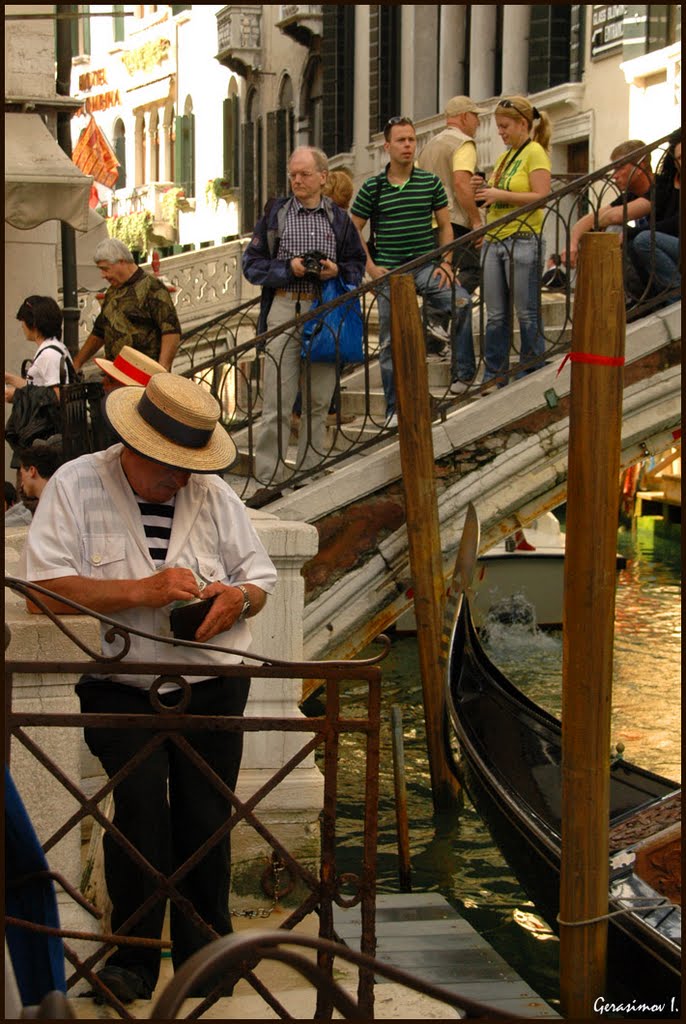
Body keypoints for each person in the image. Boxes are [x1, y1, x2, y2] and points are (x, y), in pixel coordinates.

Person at [19, 372, 277, 1004]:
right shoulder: (77, 485)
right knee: (138, 815)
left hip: (213, 681)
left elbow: (260, 576)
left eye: (190, 467)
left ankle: (207, 955)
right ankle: (132, 961)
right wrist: (144, 591)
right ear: (135, 447)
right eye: (171, 467)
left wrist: (237, 600)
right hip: (120, 683)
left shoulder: (213, 494)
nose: (182, 479)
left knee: (207, 818)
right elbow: (42, 591)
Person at [242, 146, 366, 492]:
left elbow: (357, 266)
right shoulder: (276, 214)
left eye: (304, 174)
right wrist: (288, 268)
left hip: (324, 311)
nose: (297, 180)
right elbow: (250, 265)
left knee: (318, 399)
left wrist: (336, 270)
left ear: (323, 178)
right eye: (292, 174)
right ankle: (269, 476)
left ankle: (310, 473)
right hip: (283, 306)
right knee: (276, 401)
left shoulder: (338, 219)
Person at [350, 116, 475, 418]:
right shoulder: (373, 187)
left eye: (411, 140)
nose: (407, 145)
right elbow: (353, 229)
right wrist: (370, 266)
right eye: (401, 140)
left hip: (426, 266)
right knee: (390, 340)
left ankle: (464, 374)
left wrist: (446, 263)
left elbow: (445, 226)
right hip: (390, 273)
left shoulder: (429, 182)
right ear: (388, 145)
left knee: (462, 302)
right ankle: (394, 408)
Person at [474, 95, 552, 385]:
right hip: (495, 238)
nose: (500, 132)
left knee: (526, 311)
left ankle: (531, 367)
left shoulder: (535, 153)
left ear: (522, 124)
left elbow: (542, 197)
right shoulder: (505, 157)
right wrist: (482, 190)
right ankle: (495, 373)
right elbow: (495, 198)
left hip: (523, 238)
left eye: (505, 126)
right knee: (495, 315)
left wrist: (500, 195)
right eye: (498, 126)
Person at [71, 239, 181, 373]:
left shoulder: (152, 287)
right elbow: (99, 331)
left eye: (105, 269)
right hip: (115, 375)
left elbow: (171, 331)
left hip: (144, 376)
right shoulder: (112, 291)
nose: (103, 275)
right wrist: (77, 363)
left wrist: (162, 370)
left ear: (121, 262)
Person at [417, 95, 484, 295]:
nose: (478, 122)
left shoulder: (428, 146)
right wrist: (477, 222)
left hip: (430, 222)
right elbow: (461, 183)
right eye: (475, 116)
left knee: (440, 272)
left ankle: (435, 317)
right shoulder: (463, 143)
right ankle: (439, 313)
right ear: (464, 117)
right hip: (454, 220)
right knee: (474, 269)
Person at [560, 139, 654, 271]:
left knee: (614, 229)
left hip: (667, 261)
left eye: (620, 168)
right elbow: (587, 220)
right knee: (612, 229)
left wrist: (598, 223)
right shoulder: (631, 193)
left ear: (641, 167)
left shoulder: (661, 186)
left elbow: (614, 216)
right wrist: (573, 244)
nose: (614, 176)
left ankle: (608, 288)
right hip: (646, 257)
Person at [628, 131, 681, 301]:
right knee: (627, 242)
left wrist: (633, 232)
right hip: (672, 247)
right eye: (679, 158)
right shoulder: (668, 183)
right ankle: (647, 299)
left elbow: (677, 223)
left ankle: (676, 296)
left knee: (644, 239)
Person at [5, 296, 74, 403]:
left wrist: (16, 396)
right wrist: (9, 378)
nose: (22, 325)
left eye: (23, 320)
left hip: (50, 420)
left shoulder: (49, 355)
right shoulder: (56, 346)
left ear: (34, 323)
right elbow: (38, 389)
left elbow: (57, 395)